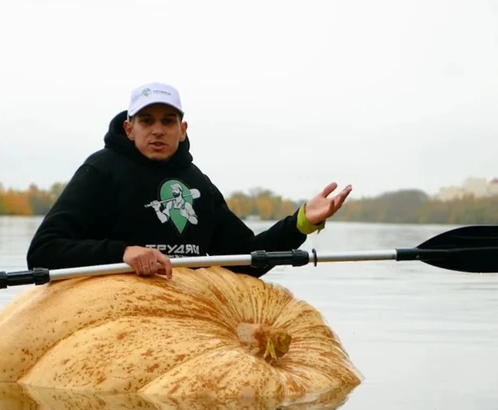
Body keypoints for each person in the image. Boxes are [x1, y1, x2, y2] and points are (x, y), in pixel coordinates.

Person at [26, 82, 352, 279]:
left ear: (182, 130)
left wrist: (301, 223)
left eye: (168, 121)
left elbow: (245, 260)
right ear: (129, 128)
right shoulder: (100, 171)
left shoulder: (199, 184)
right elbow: (43, 252)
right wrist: (121, 253)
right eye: (146, 120)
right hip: (114, 313)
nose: (157, 129)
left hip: (190, 315)